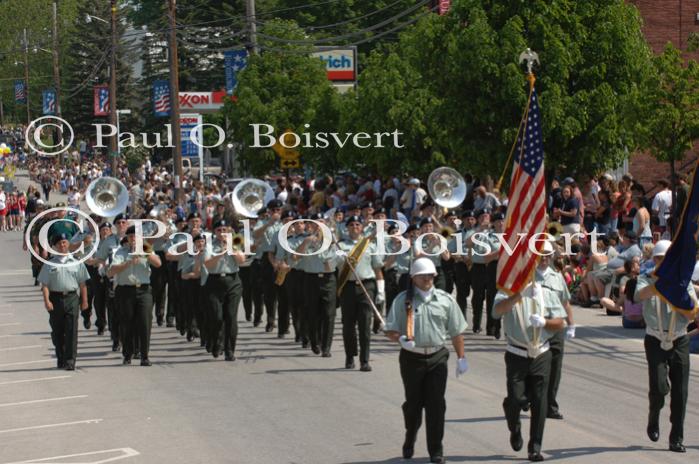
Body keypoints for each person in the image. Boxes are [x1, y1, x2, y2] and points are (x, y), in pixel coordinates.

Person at [384, 257, 468, 464]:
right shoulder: (403, 300)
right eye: (423, 276)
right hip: (412, 358)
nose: (428, 279)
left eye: (430, 275)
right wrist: (401, 339)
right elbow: (391, 330)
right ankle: (410, 435)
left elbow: (456, 332)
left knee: (436, 405)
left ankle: (436, 450)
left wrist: (461, 357)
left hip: (438, 356)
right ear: (413, 278)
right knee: (413, 404)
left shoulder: (446, 300)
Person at [493, 240, 569, 462]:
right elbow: (497, 311)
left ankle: (535, 447)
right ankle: (515, 426)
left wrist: (544, 322)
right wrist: (518, 295)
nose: (543, 259)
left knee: (539, 401)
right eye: (538, 255)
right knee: (516, 399)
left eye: (546, 255)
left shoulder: (545, 290)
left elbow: (560, 322)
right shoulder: (509, 286)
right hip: (516, 352)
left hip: (541, 352)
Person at [635, 240, 695, 453]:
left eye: (666, 259)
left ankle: (676, 437)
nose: (662, 262)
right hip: (655, 339)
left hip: (679, 338)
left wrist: (679, 295)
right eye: (659, 259)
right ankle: (654, 416)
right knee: (659, 388)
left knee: (680, 392)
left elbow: (692, 313)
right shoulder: (645, 278)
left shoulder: (683, 280)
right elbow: (638, 296)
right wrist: (658, 287)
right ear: (654, 260)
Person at [108, 226, 162, 366]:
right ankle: (127, 354)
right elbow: (110, 272)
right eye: (131, 237)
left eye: (136, 237)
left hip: (143, 290)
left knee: (145, 323)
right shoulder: (120, 252)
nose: (134, 239)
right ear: (127, 238)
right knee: (126, 324)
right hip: (125, 291)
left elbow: (158, 263)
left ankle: (144, 356)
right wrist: (128, 262)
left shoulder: (147, 249)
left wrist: (145, 253)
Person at [336, 215, 384, 371]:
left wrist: (381, 290)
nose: (354, 226)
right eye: (351, 224)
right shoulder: (340, 245)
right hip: (348, 287)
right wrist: (341, 258)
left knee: (365, 324)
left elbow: (377, 268)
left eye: (357, 224)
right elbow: (333, 265)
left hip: (366, 286)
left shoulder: (369, 245)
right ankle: (350, 357)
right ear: (347, 228)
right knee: (348, 325)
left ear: (362, 227)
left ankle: (365, 360)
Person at [37, 234, 90, 370]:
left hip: (72, 298)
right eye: (59, 243)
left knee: (71, 330)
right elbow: (45, 285)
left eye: (65, 242)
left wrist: (84, 301)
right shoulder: (50, 263)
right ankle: (60, 357)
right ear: (55, 246)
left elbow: (83, 283)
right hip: (56, 299)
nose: (62, 245)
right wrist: (47, 301)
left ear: (68, 244)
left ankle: (70, 360)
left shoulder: (76, 262)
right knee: (57, 332)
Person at [203, 220, 246, 360]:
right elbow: (207, 264)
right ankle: (217, 342)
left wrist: (231, 249)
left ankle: (229, 350)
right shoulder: (208, 245)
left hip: (233, 281)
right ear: (214, 232)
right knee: (216, 317)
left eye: (224, 230)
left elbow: (242, 260)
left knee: (231, 317)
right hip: (214, 282)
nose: (222, 233)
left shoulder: (235, 241)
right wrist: (220, 254)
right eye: (219, 230)